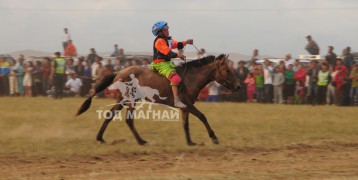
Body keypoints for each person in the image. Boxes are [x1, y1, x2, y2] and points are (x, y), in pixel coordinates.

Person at [150, 21, 193, 108]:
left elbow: (177, 44)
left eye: (168, 28)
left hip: (167, 63)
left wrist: (187, 42)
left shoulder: (168, 39)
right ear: (160, 32)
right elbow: (168, 53)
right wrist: (178, 55)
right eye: (165, 29)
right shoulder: (159, 41)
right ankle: (176, 101)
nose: (168, 30)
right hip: (160, 64)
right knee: (176, 79)